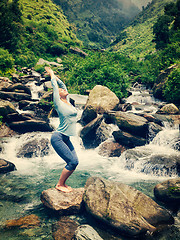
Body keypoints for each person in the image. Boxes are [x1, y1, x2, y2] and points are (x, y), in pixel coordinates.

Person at [45, 66, 78, 193]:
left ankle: (63, 184)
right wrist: (51, 74)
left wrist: (58, 80)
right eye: (61, 90)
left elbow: (62, 84)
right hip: (58, 137)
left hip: (66, 138)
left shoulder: (68, 101)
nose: (63, 89)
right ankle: (60, 184)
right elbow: (55, 85)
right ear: (57, 94)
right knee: (72, 162)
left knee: (75, 162)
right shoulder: (58, 102)